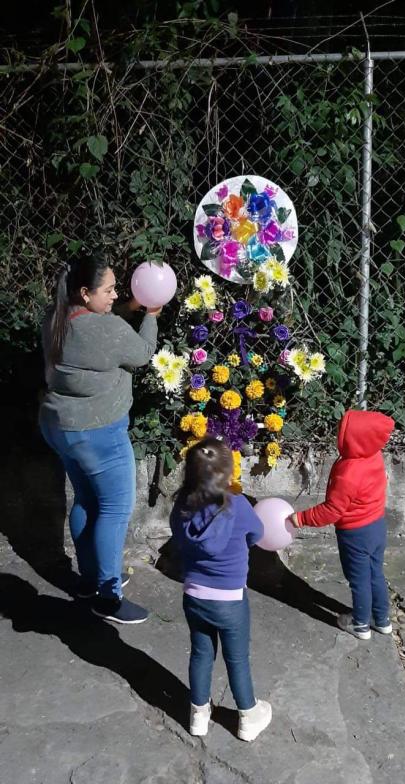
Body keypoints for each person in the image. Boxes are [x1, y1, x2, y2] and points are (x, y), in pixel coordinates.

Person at [39, 253, 160, 624]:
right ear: (84, 292)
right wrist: (150, 316)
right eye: (108, 290)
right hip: (99, 434)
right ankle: (109, 596)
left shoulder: (56, 319)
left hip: (59, 428)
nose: (114, 296)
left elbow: (102, 329)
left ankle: (89, 580)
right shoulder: (106, 331)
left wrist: (128, 307)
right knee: (114, 509)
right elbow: (141, 354)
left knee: (86, 499)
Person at [170, 437, 272, 741]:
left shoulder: (181, 507)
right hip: (230, 600)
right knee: (236, 658)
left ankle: (198, 715)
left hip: (194, 596)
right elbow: (258, 533)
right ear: (227, 473)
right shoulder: (238, 506)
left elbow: (178, 539)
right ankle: (248, 716)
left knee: (201, 653)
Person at [291, 409, 395, 641]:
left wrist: (301, 518)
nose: (339, 434)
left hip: (355, 533)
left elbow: (332, 511)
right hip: (377, 525)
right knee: (375, 573)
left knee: (359, 580)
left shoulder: (349, 472)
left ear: (355, 439)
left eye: (343, 431)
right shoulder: (374, 456)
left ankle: (360, 624)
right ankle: (382, 620)